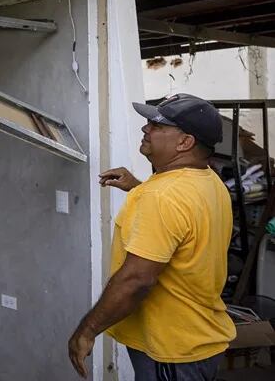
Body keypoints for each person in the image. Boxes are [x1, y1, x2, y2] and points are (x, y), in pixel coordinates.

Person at [68, 93, 236, 380]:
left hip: (171, 351)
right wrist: (138, 188)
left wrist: (86, 331)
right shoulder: (209, 181)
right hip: (198, 339)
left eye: (157, 125)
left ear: (185, 142)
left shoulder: (161, 197)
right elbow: (180, 221)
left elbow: (136, 280)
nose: (146, 129)